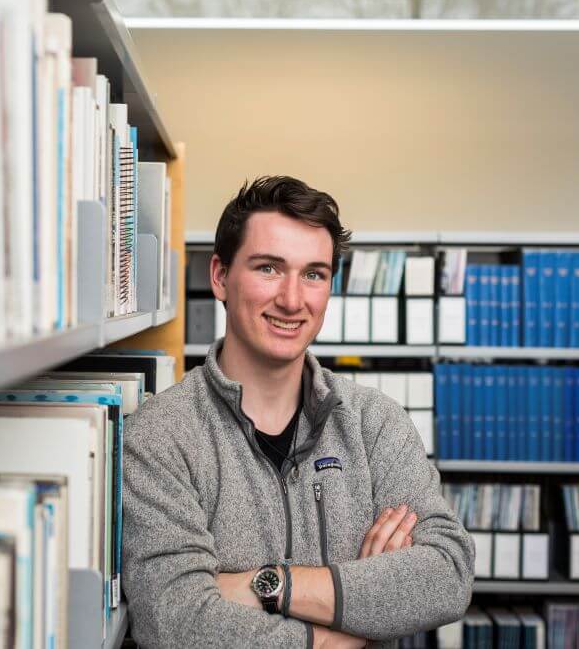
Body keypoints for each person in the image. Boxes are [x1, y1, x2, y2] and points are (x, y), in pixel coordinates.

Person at [122, 176, 474, 648]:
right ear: (220, 276)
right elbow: (175, 621)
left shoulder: (376, 424)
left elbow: (447, 574)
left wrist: (267, 584)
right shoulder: (160, 436)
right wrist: (338, 633)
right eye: (269, 268)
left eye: (314, 274)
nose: (292, 299)